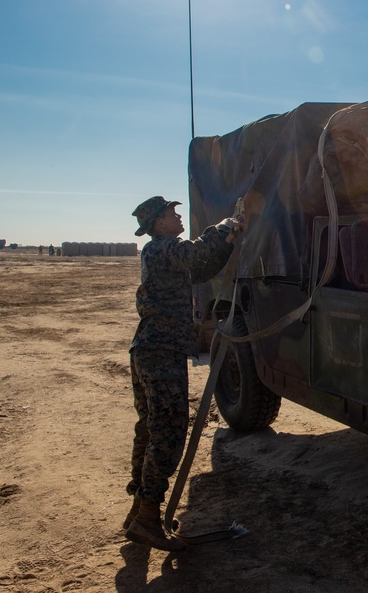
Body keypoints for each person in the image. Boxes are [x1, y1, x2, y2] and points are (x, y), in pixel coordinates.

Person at [124, 196, 243, 551]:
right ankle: (147, 517)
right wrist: (224, 226)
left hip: (153, 350)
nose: (178, 218)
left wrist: (226, 243)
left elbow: (201, 269)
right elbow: (194, 253)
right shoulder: (162, 248)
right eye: (172, 214)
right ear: (158, 223)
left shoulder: (165, 254)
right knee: (168, 432)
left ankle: (138, 512)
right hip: (161, 353)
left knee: (150, 428)